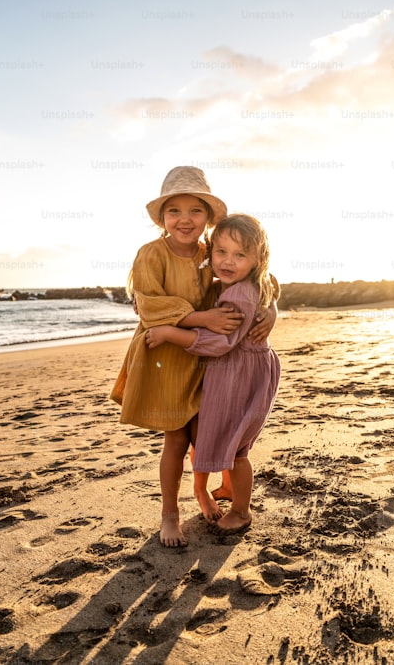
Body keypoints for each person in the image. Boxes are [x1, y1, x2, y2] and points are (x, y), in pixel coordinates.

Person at [111, 166, 271, 548]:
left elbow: (259, 278)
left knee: (204, 435)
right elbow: (150, 306)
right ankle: (170, 514)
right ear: (162, 218)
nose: (185, 220)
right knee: (177, 439)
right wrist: (203, 318)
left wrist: (271, 310)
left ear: (207, 218)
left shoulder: (211, 252)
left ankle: (203, 493)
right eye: (174, 211)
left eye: (195, 211)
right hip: (165, 356)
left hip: (207, 363)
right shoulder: (150, 254)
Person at [145, 214, 280, 536]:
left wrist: (168, 333)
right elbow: (268, 286)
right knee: (221, 438)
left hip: (240, 375)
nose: (227, 262)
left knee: (237, 451)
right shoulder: (240, 285)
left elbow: (220, 343)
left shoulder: (239, 294)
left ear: (258, 258)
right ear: (210, 252)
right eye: (221, 252)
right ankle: (213, 493)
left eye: (239, 255)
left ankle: (242, 512)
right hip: (238, 372)